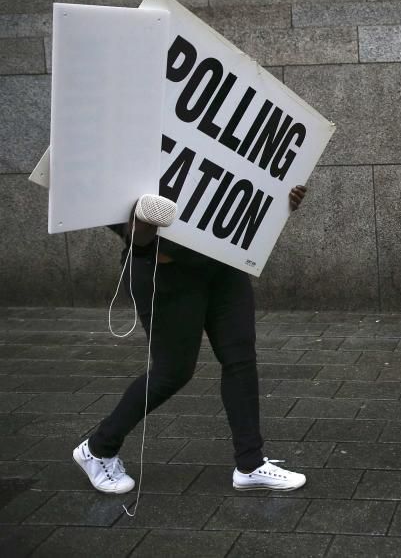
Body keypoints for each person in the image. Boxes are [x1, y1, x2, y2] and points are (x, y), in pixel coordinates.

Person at [72, 186, 309, 494]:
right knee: (172, 372)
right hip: (167, 272)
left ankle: (250, 464)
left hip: (223, 263)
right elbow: (99, 191)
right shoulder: (130, 142)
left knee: (240, 360)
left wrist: (279, 197)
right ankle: (99, 448)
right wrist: (138, 234)